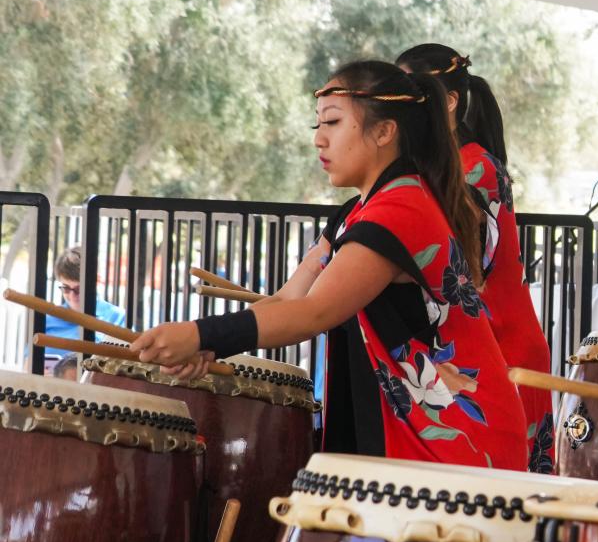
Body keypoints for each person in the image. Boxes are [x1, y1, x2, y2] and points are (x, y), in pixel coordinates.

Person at [132, 60, 528, 470]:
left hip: (459, 441)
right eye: (316, 126)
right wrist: (210, 343)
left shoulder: (401, 210)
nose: (319, 140)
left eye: (333, 123)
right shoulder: (357, 213)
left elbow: (314, 313)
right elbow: (289, 299)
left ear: (383, 131)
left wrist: (201, 333)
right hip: (422, 434)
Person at [396, 43, 554, 472]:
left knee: (504, 498)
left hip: (501, 345)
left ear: (449, 102)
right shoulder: (441, 167)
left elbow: (461, 266)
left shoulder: (475, 167)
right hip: (469, 344)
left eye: (411, 92)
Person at [43, 246, 128, 371]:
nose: (72, 296)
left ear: (97, 281)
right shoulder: (48, 319)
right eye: (66, 288)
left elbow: (127, 366)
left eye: (78, 289)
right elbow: (28, 363)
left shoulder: (118, 317)